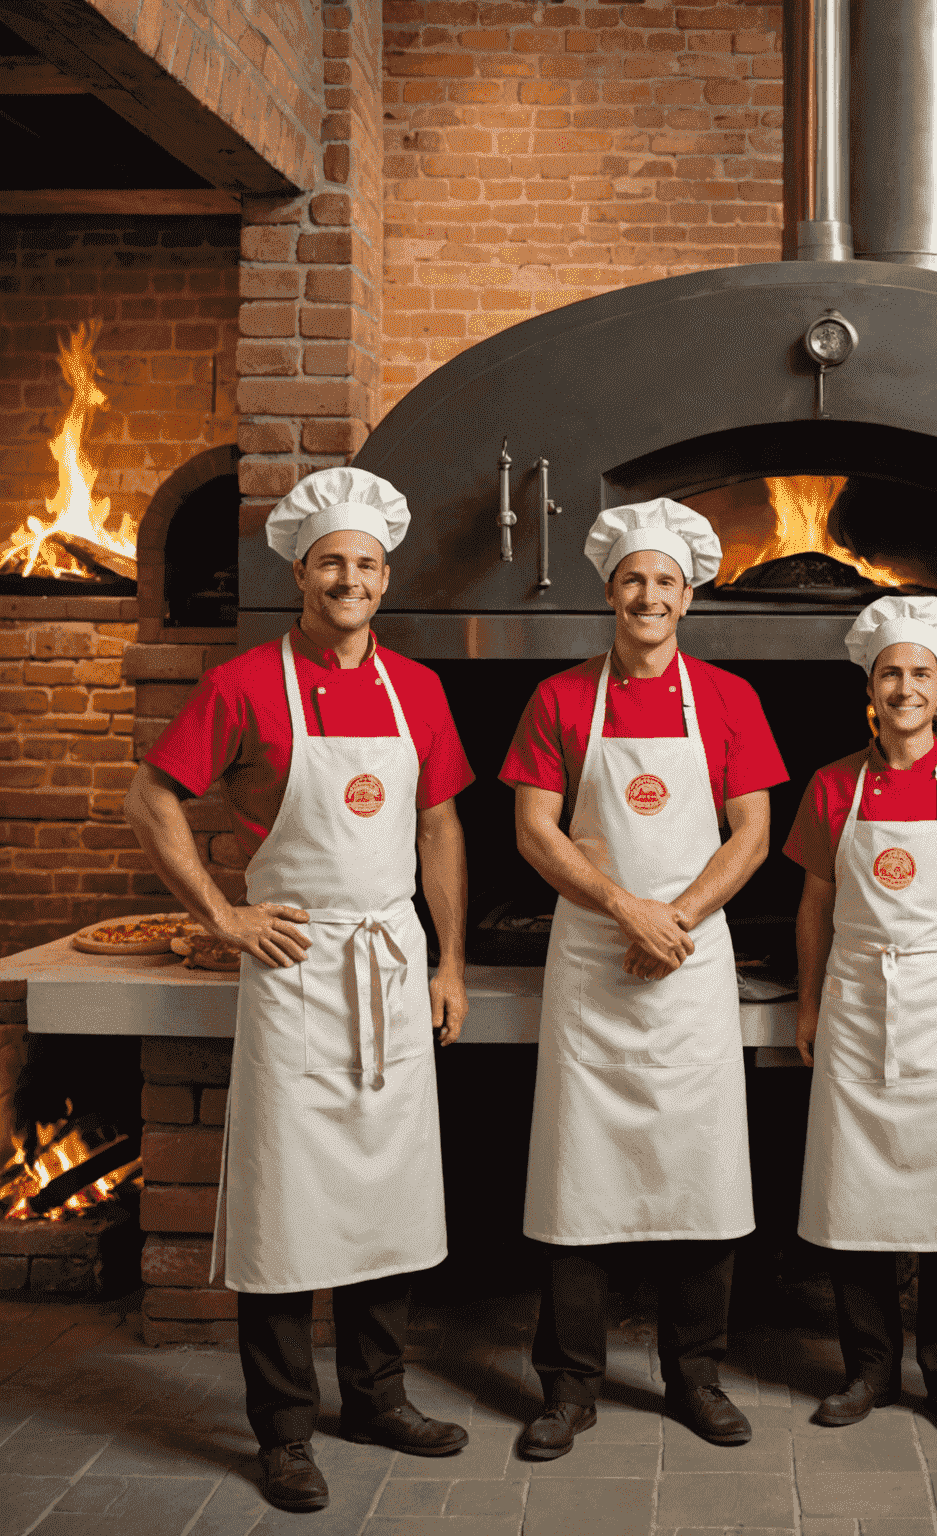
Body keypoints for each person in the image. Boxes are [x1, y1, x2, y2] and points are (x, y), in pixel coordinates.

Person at [123, 468, 477, 1513]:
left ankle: (375, 1399)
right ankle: (282, 1431)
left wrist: (449, 961)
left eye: (366, 564)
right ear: (300, 572)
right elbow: (151, 796)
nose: (350, 579)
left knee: (387, 1192)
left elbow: (440, 828)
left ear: (384, 576)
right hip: (294, 968)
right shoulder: (243, 684)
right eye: (333, 562)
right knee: (286, 1204)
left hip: (392, 959)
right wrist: (219, 915)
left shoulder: (419, 688)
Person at [504, 498, 788, 1460]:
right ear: (609, 591)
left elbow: (751, 830)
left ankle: (695, 1378)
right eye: (633, 579)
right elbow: (534, 830)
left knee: (702, 1178)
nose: (649, 596)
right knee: (575, 1181)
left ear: (689, 596)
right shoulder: (558, 700)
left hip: (689, 963)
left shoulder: (729, 701)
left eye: (666, 581)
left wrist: (679, 918)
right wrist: (627, 910)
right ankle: (570, 1388)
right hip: (593, 961)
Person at [786, 596, 937, 1442]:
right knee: (853, 1198)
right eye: (891, 671)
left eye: (920, 673)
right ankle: (867, 1369)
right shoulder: (831, 786)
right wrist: (812, 1002)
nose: (905, 686)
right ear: (871, 684)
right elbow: (813, 906)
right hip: (857, 1002)